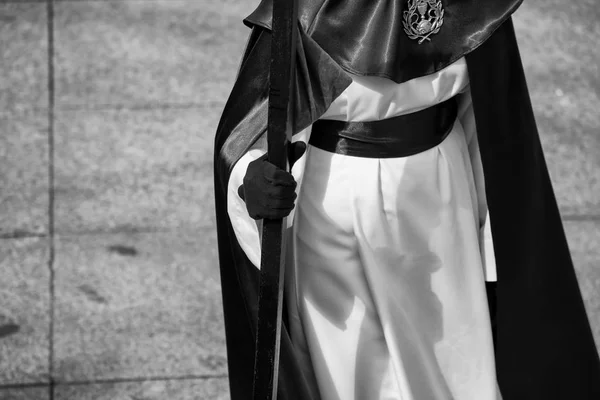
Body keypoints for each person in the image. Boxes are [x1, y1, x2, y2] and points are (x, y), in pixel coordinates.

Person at [214, 1, 600, 399]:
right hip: (333, 201)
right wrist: (249, 177)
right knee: (350, 367)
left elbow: (491, 117)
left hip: (440, 195)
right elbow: (252, 124)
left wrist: (496, 235)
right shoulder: (309, 8)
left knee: (446, 363)